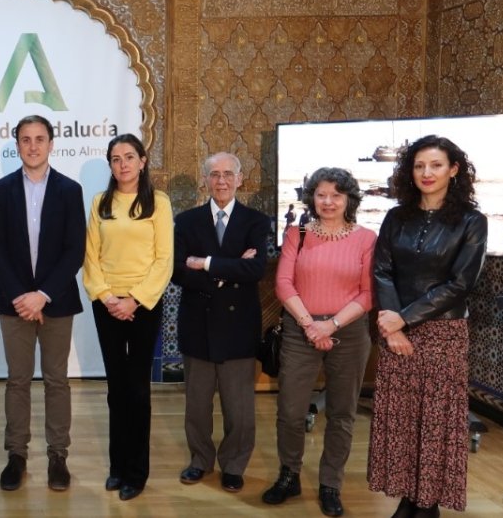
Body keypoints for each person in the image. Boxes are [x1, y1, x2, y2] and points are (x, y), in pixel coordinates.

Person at [368, 136, 487, 518]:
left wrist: (404, 317)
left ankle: (428, 504)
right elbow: (382, 271)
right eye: (419, 166)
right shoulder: (396, 217)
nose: (426, 173)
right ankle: (406, 498)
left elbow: (461, 283)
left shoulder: (471, 220)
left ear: (454, 170)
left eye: (436, 165)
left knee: (435, 422)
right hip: (395, 330)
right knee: (401, 421)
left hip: (443, 333)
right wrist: (393, 326)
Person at [263, 167, 376, 517]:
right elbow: (283, 283)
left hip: (351, 331)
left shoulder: (367, 238)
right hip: (300, 328)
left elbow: (368, 293)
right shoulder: (297, 233)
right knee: (290, 411)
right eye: (321, 194)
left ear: (349, 199)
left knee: (342, 413)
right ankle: (289, 474)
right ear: (312, 197)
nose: (328, 202)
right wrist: (310, 324)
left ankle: (330, 484)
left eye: (336, 195)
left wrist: (332, 325)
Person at [0, 114, 86, 492]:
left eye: (39, 139)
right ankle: (16, 455)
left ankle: (58, 456)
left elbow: (74, 250)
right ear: (17, 144)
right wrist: (21, 296)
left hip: (56, 302)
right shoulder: (1, 189)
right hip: (15, 304)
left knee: (57, 381)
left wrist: (42, 294)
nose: (32, 146)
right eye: (25, 139)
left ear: (50, 143)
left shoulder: (69, 189)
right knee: (17, 381)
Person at [81, 134, 173, 501]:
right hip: (106, 306)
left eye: (129, 157)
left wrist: (133, 300)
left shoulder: (159, 203)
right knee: (115, 390)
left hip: (144, 306)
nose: (122, 164)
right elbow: (91, 257)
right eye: (116, 159)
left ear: (143, 160)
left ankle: (137, 471)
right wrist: (107, 297)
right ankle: (117, 467)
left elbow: (163, 259)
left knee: (137, 390)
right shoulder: (100, 202)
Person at [172, 151, 268, 494]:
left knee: (239, 408)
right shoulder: (186, 221)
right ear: (205, 179)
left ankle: (233, 465)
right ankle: (200, 461)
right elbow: (178, 272)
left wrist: (208, 263)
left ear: (240, 179)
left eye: (229, 174)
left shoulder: (256, 221)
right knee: (196, 406)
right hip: (197, 325)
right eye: (215, 174)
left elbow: (256, 270)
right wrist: (230, 269)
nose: (222, 180)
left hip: (238, 328)